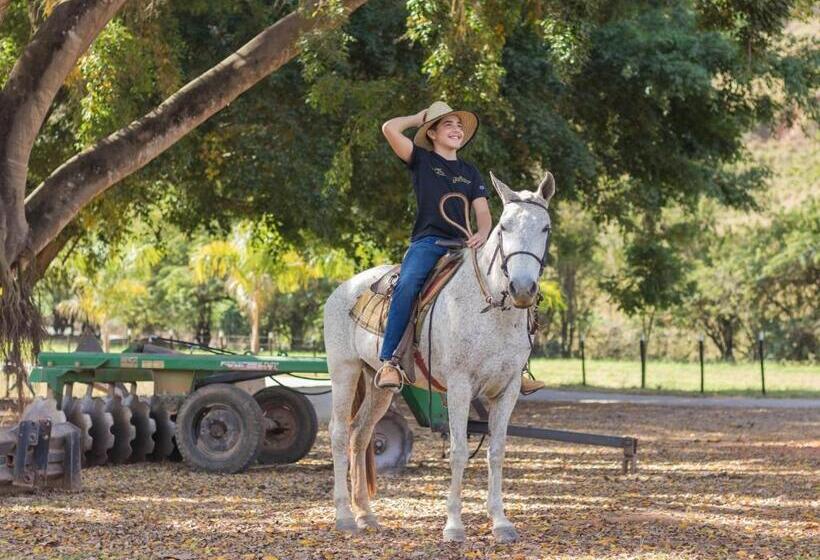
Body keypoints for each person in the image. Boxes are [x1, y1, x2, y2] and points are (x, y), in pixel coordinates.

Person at [376, 101, 545, 394]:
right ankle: (390, 360)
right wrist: (418, 117)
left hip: (464, 244)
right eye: (448, 125)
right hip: (429, 243)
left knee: (509, 282)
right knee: (407, 284)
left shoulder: (470, 172)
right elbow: (389, 128)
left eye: (459, 126)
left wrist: (482, 232)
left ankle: (519, 366)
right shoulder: (421, 159)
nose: (456, 130)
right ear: (432, 133)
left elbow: (482, 213)